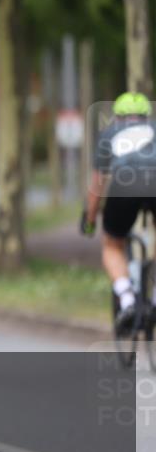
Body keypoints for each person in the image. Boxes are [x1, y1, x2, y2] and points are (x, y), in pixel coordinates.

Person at [81, 91, 156, 331]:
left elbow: (97, 186)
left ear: (117, 117)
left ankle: (126, 300)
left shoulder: (109, 134)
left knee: (112, 244)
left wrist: (90, 219)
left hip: (125, 186)